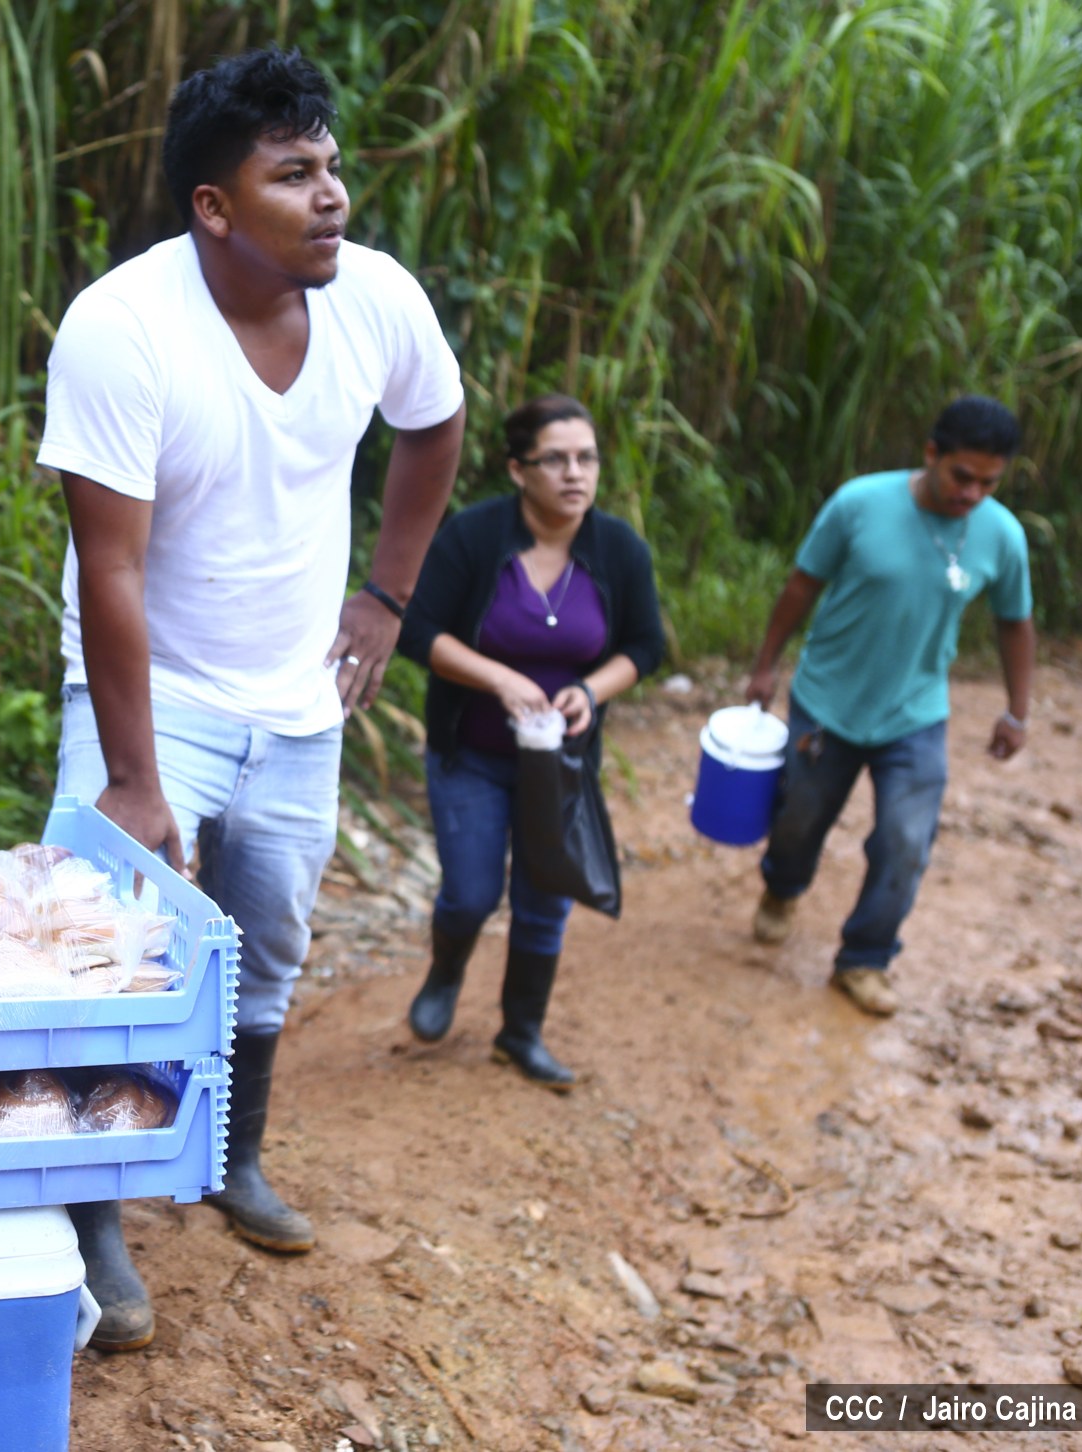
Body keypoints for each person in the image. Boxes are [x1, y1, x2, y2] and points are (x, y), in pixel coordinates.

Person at [38, 48, 465, 1351]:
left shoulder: (375, 299)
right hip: (151, 685)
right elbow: (109, 568)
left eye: (330, 166)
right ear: (213, 206)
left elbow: (434, 424)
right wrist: (130, 778)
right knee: (104, 939)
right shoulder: (122, 327)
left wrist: (386, 597)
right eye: (292, 175)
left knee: (269, 937)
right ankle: (92, 1220)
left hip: (296, 694)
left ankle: (229, 1155)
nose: (330, 195)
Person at [396, 396, 665, 1089]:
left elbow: (645, 645)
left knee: (546, 896)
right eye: (556, 460)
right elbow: (418, 632)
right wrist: (499, 680)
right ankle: (445, 972)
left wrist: (591, 691)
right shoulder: (473, 536)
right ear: (518, 470)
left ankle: (521, 1033)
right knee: (471, 891)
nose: (576, 473)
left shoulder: (618, 549)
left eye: (587, 458)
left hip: (561, 764)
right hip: (472, 753)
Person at [743, 396, 1033, 1015]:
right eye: (962, 476)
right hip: (827, 702)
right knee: (799, 819)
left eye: (989, 482)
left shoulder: (1002, 534)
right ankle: (783, 888)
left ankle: (865, 958)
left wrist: (1018, 710)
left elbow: (1014, 621)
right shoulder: (860, 504)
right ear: (931, 454)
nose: (972, 494)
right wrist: (766, 666)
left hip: (915, 713)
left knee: (906, 840)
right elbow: (802, 584)